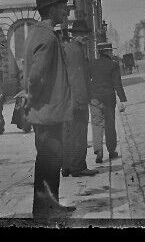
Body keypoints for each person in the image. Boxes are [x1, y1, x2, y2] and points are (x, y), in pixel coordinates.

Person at [26, 0, 75, 220]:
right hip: (48, 112)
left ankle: (48, 206)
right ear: (51, 9)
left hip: (46, 111)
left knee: (49, 162)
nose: (65, 10)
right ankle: (45, 211)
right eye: (62, 6)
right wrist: (32, 97)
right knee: (48, 162)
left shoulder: (38, 34)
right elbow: (36, 77)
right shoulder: (46, 37)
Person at [62, 19, 96, 177]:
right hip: (77, 99)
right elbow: (77, 77)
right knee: (79, 133)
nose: (85, 37)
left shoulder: (69, 48)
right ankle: (78, 167)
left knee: (69, 133)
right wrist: (82, 99)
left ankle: (67, 165)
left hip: (68, 98)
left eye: (85, 34)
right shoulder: (76, 50)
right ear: (75, 35)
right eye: (81, 34)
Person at [88, 42, 128, 164]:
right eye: (110, 51)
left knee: (96, 124)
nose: (112, 53)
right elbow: (117, 83)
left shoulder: (92, 64)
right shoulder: (113, 65)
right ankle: (111, 151)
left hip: (94, 98)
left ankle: (98, 151)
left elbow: (89, 79)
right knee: (110, 125)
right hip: (108, 99)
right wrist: (122, 99)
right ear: (107, 52)